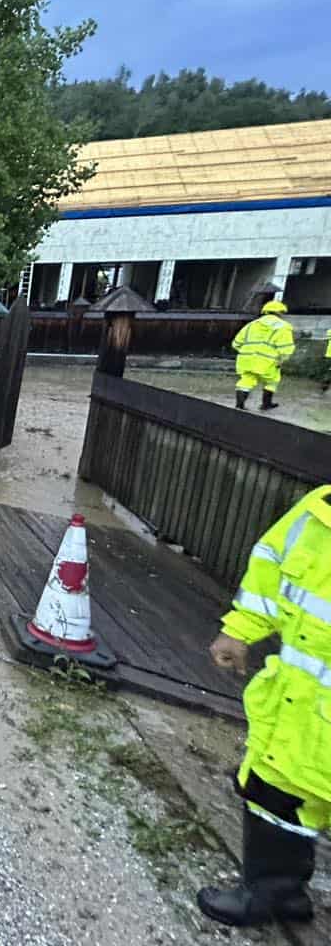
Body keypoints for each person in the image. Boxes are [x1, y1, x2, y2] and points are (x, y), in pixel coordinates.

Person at [199, 485, 331, 927]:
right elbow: (269, 571)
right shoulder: (317, 512)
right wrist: (239, 629)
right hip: (298, 708)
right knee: (275, 791)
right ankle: (277, 891)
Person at [232, 299, 295, 411]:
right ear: (280, 312)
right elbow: (286, 348)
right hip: (268, 361)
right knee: (272, 381)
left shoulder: (251, 324)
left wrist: (247, 352)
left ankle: (239, 405)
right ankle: (266, 404)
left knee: (246, 381)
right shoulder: (284, 327)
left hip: (247, 359)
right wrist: (282, 359)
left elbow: (236, 343)